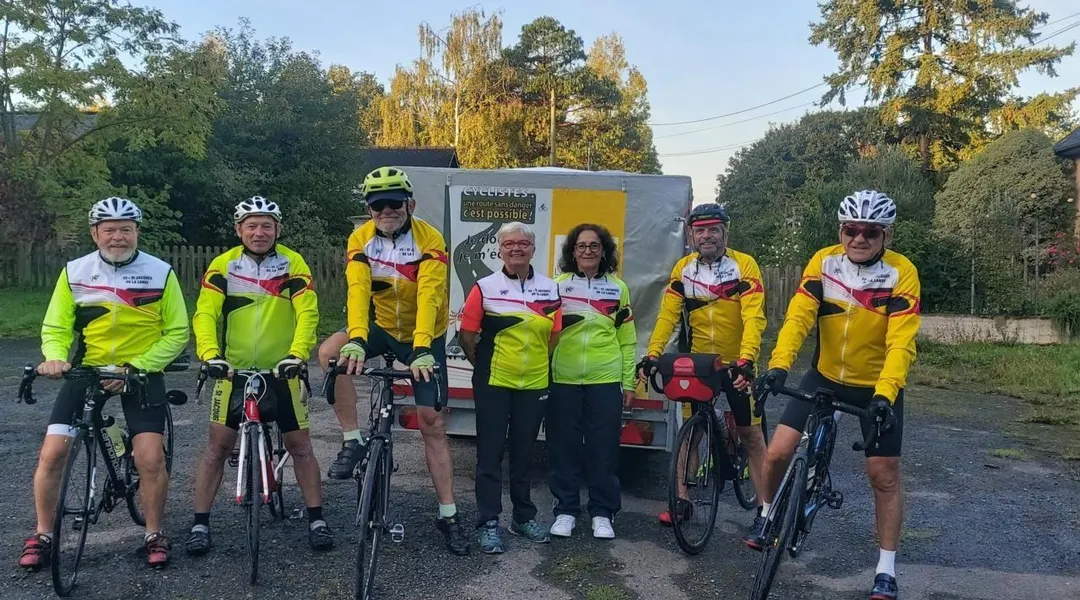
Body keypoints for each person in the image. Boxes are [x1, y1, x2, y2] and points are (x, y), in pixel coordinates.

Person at [746, 190, 919, 600]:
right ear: (841, 231)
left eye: (870, 232)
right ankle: (767, 513)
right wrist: (778, 366)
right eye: (851, 229)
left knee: (883, 475)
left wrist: (885, 393)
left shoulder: (901, 272)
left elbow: (901, 341)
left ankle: (886, 570)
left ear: (885, 236)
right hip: (823, 376)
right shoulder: (824, 263)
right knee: (776, 453)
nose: (859, 238)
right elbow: (798, 317)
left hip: (876, 386)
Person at [20, 197, 189, 570]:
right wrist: (55, 356)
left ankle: (154, 532)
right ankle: (43, 534)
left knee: (149, 458)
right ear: (94, 233)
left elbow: (177, 332)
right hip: (89, 370)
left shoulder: (160, 272)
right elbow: (57, 325)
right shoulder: (75, 271)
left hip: (140, 371)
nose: (118, 237)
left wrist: (136, 366)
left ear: (136, 233)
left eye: (125, 230)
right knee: (52, 454)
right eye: (109, 230)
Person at [329, 166, 468, 555]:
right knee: (329, 355)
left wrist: (423, 346)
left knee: (432, 423)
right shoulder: (360, 238)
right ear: (369, 209)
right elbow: (357, 291)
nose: (386, 210)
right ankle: (353, 441)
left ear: (410, 204)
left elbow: (431, 295)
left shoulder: (430, 238)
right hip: (380, 327)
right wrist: (357, 339)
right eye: (377, 205)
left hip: (423, 336)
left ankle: (448, 514)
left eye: (394, 203)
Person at [186, 196, 334, 555]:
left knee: (301, 447)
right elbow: (206, 313)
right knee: (216, 449)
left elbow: (307, 313)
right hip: (232, 371)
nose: (259, 231)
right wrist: (209, 354)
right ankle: (199, 523)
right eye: (251, 225)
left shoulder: (292, 263)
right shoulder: (223, 265)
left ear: (277, 229)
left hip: (281, 370)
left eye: (267, 225)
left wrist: (297, 354)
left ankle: (316, 519)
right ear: (239, 230)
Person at [639, 202, 769, 541]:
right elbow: (668, 316)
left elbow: (754, 317)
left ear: (725, 232)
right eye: (700, 230)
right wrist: (653, 352)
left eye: (713, 229)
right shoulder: (683, 269)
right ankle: (683, 501)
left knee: (752, 436)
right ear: (691, 235)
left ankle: (766, 510)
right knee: (691, 432)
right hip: (699, 365)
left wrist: (748, 358)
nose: (706, 235)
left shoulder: (744, 265)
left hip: (737, 362)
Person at [458, 221, 562, 554]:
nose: (516, 248)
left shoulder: (549, 288)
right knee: (489, 454)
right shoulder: (484, 286)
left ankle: (522, 517)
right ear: (499, 250)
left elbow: (554, 335)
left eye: (523, 243)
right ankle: (488, 521)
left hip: (534, 382)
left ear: (533, 249)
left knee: (524, 453)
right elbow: (466, 335)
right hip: (493, 381)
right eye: (509, 244)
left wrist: (533, 363)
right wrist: (485, 365)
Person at [547, 224, 636, 540]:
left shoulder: (618, 288)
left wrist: (628, 383)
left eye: (594, 246)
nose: (587, 251)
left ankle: (602, 512)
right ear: (572, 251)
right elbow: (546, 335)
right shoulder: (555, 286)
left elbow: (627, 340)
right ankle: (566, 511)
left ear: (604, 252)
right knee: (563, 448)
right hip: (563, 378)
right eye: (581, 246)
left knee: (603, 449)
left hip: (605, 378)